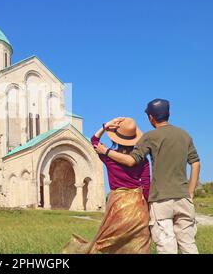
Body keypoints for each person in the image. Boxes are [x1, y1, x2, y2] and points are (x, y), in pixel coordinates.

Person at [94, 99, 201, 254]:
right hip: (183, 198)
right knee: (188, 244)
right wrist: (190, 192)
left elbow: (131, 161)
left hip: (160, 200)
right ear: (168, 114)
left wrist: (107, 150)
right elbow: (196, 162)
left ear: (151, 117)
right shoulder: (184, 135)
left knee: (166, 246)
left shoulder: (150, 137)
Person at [63, 117, 151, 254]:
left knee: (110, 244)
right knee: (138, 246)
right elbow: (146, 186)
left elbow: (94, 141)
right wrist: (147, 209)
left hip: (117, 207)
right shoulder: (143, 160)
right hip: (138, 207)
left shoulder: (108, 156)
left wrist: (105, 127)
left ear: (116, 138)